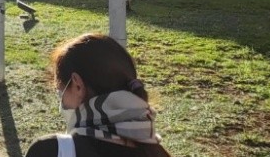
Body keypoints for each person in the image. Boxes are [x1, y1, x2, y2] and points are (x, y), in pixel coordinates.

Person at [25, 33, 171, 157]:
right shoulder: (158, 152)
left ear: (77, 85)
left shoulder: (51, 151)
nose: (61, 100)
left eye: (60, 91)